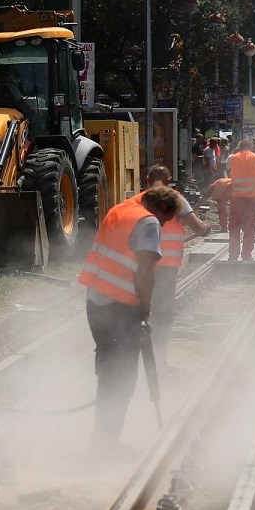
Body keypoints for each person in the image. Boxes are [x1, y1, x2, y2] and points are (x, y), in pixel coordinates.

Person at [78, 186, 181, 449]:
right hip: (121, 307)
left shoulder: (120, 210)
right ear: (160, 210)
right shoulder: (148, 222)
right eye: (165, 220)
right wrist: (146, 307)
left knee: (109, 371)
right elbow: (145, 270)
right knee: (122, 375)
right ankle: (105, 441)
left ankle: (103, 435)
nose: (163, 225)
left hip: (95, 302)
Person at [133, 166, 210, 366]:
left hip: (142, 267)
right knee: (163, 313)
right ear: (169, 179)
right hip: (166, 266)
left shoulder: (139, 200)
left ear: (147, 179)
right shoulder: (176, 199)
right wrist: (205, 229)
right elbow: (197, 226)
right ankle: (159, 361)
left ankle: (136, 360)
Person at [226, 137, 255, 261]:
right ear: (252, 147)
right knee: (250, 226)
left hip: (236, 198)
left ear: (239, 147)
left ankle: (233, 255)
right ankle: (247, 254)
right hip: (252, 198)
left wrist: (236, 149)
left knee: (234, 227)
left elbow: (227, 165)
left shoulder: (232, 158)